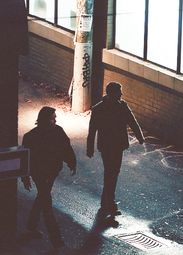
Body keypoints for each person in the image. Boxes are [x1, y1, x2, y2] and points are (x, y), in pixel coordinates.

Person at [87, 82, 144, 218]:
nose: (121, 94)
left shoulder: (101, 108)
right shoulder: (119, 107)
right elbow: (132, 122)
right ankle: (109, 204)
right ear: (112, 93)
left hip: (110, 145)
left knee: (111, 173)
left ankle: (106, 202)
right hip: (113, 145)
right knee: (111, 173)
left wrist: (90, 148)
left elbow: (92, 130)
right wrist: (140, 137)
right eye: (119, 92)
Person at [21, 106, 76, 248]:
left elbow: (66, 148)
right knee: (46, 203)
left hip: (50, 173)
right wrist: (71, 162)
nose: (55, 120)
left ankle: (31, 225)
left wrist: (72, 162)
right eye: (53, 117)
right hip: (41, 174)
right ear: (47, 119)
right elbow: (26, 159)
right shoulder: (49, 133)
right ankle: (56, 239)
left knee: (42, 197)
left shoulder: (34, 135)